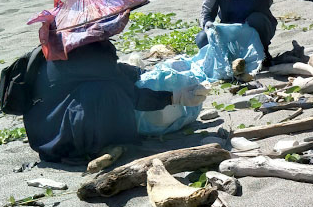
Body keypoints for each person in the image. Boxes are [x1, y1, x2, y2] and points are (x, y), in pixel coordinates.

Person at [23, 40, 198, 163]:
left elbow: (116, 71)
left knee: (104, 88)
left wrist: (140, 72)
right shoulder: (88, 51)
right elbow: (133, 95)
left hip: (42, 132)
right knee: (108, 92)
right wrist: (174, 97)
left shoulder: (58, 45)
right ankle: (98, 147)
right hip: (64, 139)